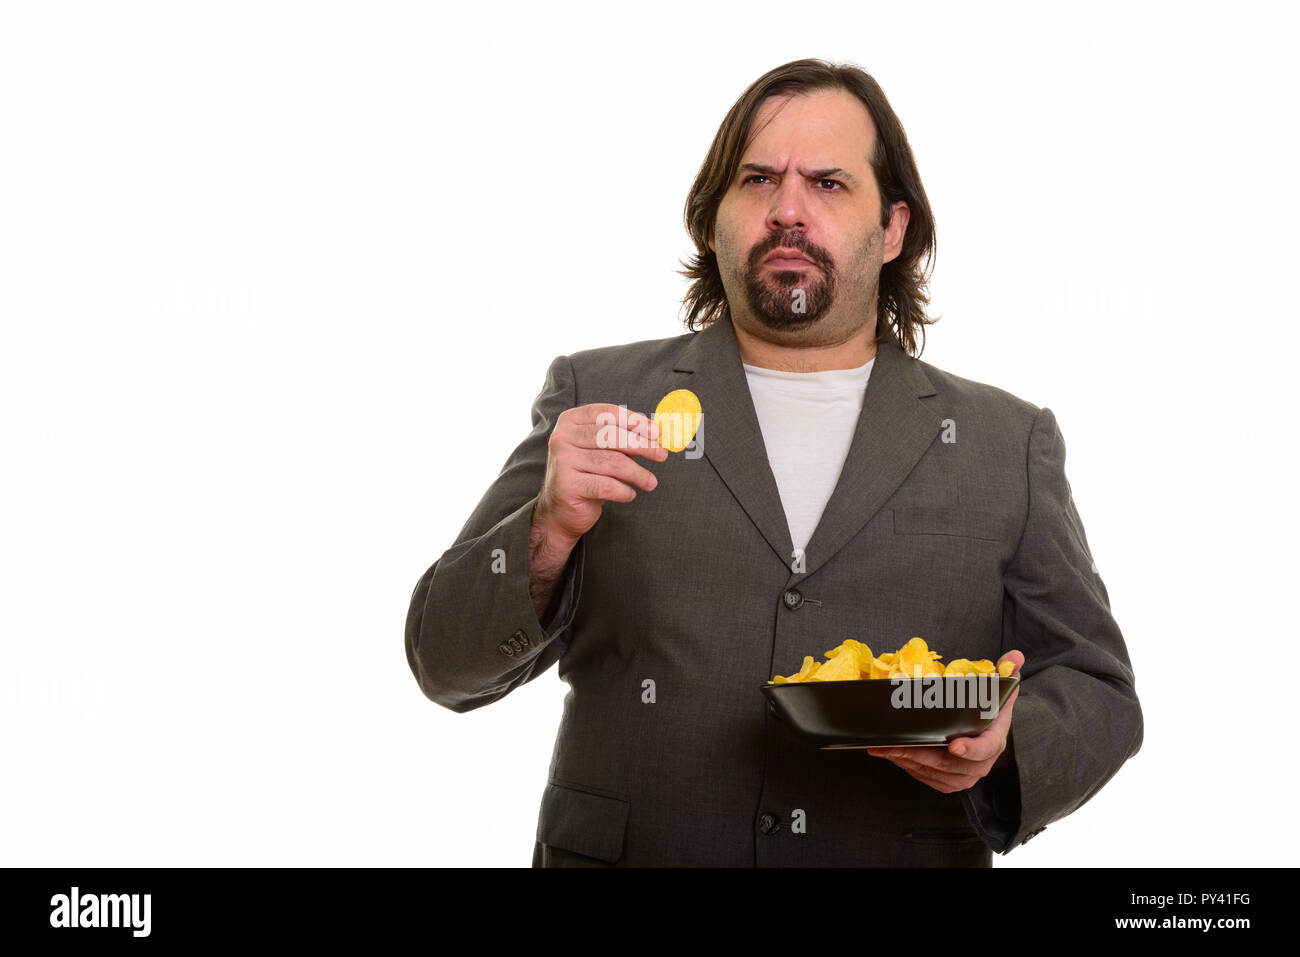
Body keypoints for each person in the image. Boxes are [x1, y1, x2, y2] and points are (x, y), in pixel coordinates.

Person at [405, 58, 1142, 867]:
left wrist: (1004, 747)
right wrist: (545, 529)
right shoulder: (600, 397)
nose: (787, 210)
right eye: (758, 180)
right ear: (712, 218)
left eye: (828, 184)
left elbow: (1100, 691)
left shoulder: (1006, 441)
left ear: (893, 228)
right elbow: (444, 660)